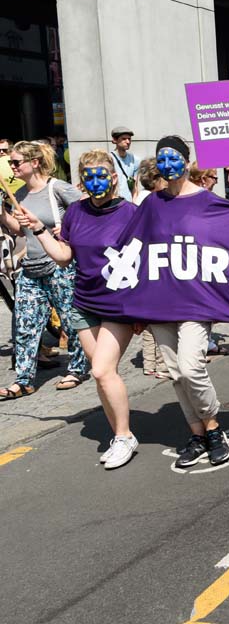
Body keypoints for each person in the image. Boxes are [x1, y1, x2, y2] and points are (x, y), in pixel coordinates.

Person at [14, 150, 141, 467]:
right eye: (89, 176)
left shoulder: (131, 213)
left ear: (113, 178)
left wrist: (144, 311)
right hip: (84, 303)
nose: (96, 182)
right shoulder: (75, 213)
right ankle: (119, 434)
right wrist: (38, 229)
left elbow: (147, 261)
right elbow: (63, 257)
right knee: (102, 375)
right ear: (81, 181)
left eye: (101, 175)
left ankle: (124, 436)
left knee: (101, 370)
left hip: (118, 305)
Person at [139, 136, 229, 467]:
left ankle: (214, 428)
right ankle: (197, 434)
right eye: (161, 159)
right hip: (160, 303)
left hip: (196, 301)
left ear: (186, 160)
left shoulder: (209, 201)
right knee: (176, 373)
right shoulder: (152, 203)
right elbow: (135, 249)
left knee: (192, 367)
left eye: (173, 158)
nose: (167, 165)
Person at [0, 141, 89, 398]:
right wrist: (2, 214)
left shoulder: (57, 188)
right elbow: (21, 231)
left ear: (35, 162)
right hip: (31, 268)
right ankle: (24, 380)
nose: (12, 166)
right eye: (10, 162)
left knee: (70, 321)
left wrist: (69, 228)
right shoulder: (19, 194)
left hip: (59, 266)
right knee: (25, 325)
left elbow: (87, 210)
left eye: (16, 162)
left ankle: (77, 368)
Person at [133, 159, 168, 378]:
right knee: (163, 318)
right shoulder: (154, 201)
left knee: (149, 323)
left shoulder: (140, 198)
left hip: (145, 266)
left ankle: (149, 363)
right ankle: (163, 365)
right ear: (156, 179)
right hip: (155, 263)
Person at [108, 126, 139, 202]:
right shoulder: (108, 159)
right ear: (115, 140)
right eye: (124, 139)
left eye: (129, 139)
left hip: (128, 203)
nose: (128, 142)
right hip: (112, 202)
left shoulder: (134, 159)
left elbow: (135, 187)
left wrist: (134, 204)